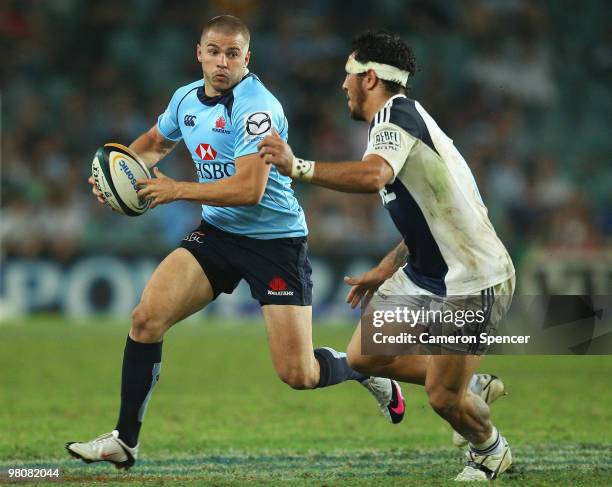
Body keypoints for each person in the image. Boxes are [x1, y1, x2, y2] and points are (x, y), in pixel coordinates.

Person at [65, 16, 405, 471]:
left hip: (274, 242)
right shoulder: (185, 98)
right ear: (199, 52)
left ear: (247, 58)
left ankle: (362, 368)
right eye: (213, 51)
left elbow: (250, 190)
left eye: (232, 54)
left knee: (298, 374)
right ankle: (124, 441)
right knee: (146, 318)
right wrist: (114, 172)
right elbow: (152, 143)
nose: (222, 62)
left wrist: (177, 190)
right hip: (218, 234)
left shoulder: (257, 107)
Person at [257, 31, 516, 482]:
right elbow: (428, 216)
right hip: (423, 271)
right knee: (362, 358)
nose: (343, 85)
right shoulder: (396, 125)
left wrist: (297, 166)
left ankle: (490, 450)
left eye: (348, 75)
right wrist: (387, 265)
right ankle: (471, 385)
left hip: (473, 279)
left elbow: (374, 175)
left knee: (441, 398)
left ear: (369, 77)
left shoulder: (397, 115)